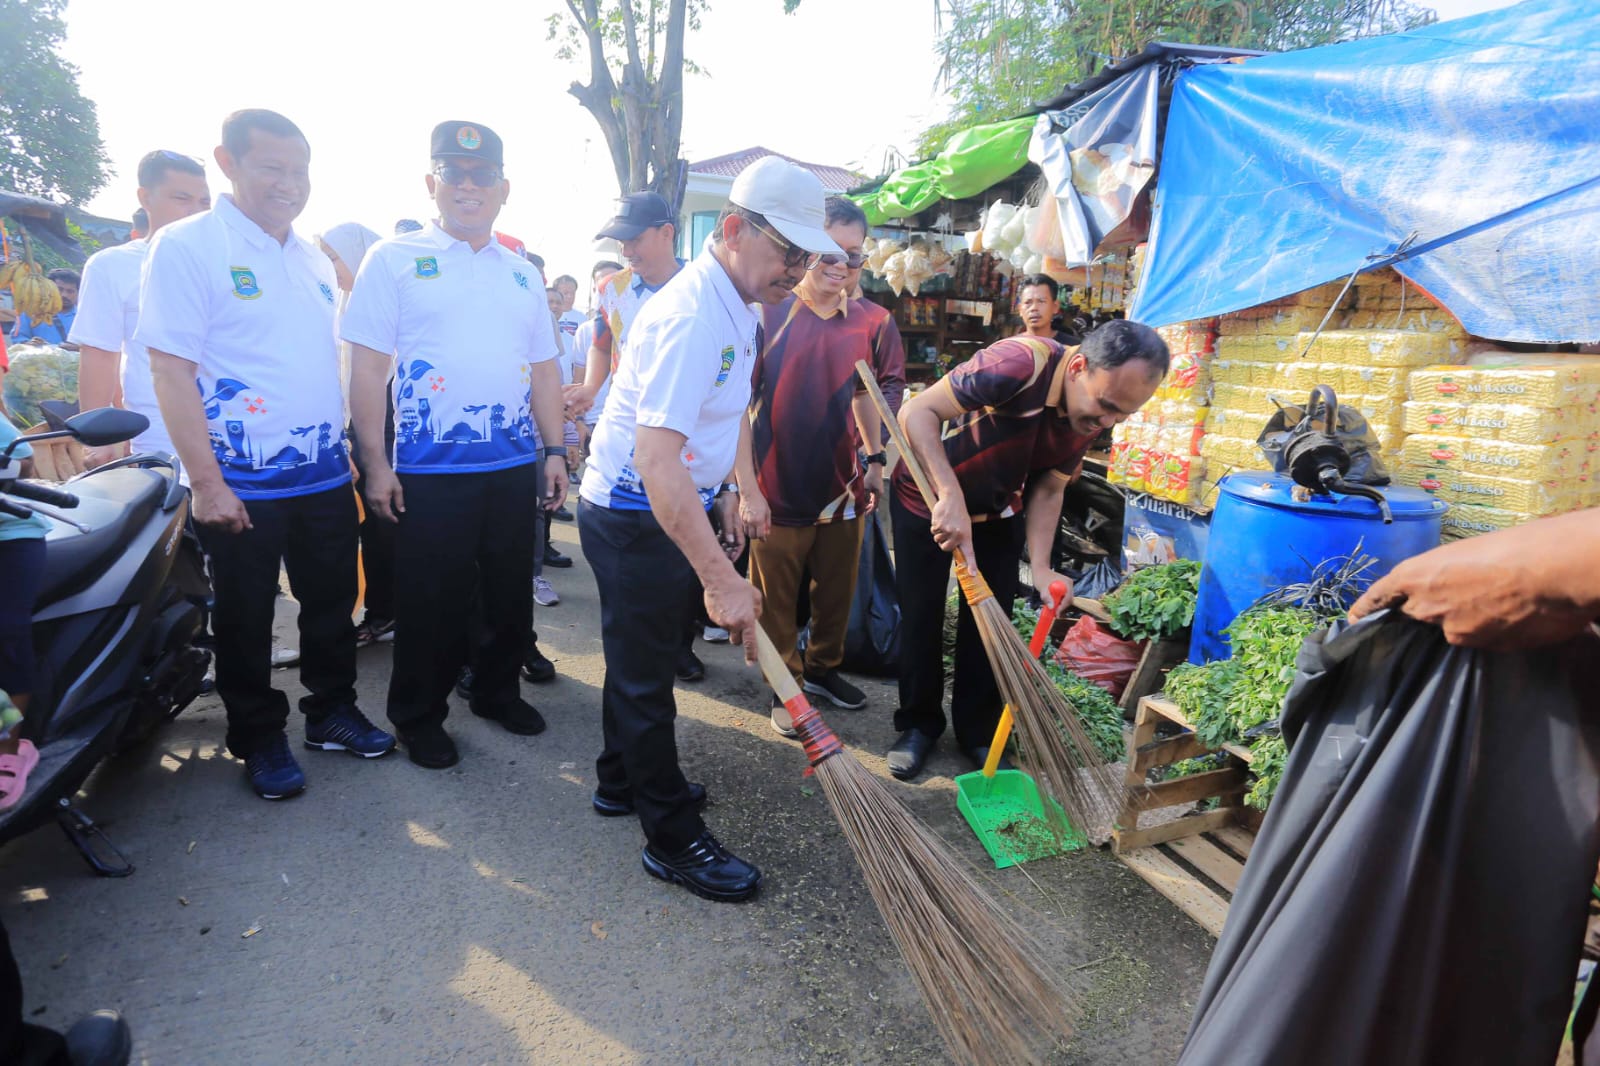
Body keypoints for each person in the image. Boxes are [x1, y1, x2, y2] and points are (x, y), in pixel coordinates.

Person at [579, 156, 842, 903]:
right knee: (644, 678)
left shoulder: (744, 300)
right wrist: (721, 579)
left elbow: (722, 417)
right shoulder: (692, 316)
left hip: (668, 503)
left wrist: (729, 488)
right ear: (731, 230)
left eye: (805, 254)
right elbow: (657, 464)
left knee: (645, 660)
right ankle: (671, 840)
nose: (797, 268)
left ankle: (618, 781)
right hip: (635, 513)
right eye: (786, 251)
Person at [139, 108, 392, 801]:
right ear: (228, 161)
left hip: (319, 475)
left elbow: (318, 361)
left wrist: (341, 447)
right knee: (247, 617)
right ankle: (257, 736)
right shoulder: (189, 246)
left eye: (300, 170)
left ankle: (331, 712)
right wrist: (207, 482)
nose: (289, 183)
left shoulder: (311, 257)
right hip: (239, 483)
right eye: (272, 167)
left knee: (331, 603)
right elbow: (170, 371)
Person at [343, 120, 566, 770]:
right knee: (430, 599)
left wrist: (554, 451)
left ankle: (496, 692)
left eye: (481, 176)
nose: (468, 186)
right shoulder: (394, 259)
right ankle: (418, 715)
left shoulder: (522, 274)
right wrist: (374, 461)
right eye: (455, 174)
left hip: (509, 464)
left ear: (503, 189)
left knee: (507, 593)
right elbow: (366, 369)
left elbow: (546, 370)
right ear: (431, 183)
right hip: (426, 470)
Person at [887, 321, 1169, 780]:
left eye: (1124, 415)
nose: (1108, 424)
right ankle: (918, 725)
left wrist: (1041, 568)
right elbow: (917, 412)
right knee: (921, 618)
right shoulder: (1019, 364)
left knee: (989, 627)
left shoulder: (1089, 413)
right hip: (925, 500)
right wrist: (949, 495)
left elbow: (1050, 488)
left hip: (998, 513)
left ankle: (976, 733)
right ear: (1078, 367)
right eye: (1106, 407)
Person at [745, 195, 906, 736]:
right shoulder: (767, 313)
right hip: (776, 481)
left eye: (853, 257)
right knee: (775, 598)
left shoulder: (875, 321)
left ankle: (822, 670)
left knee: (836, 593)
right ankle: (784, 687)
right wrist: (745, 488)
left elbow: (873, 392)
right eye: (828, 254)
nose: (840, 267)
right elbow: (735, 409)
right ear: (804, 250)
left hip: (844, 487)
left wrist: (877, 459)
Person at [566, 192, 718, 680]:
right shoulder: (614, 288)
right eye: (620, 241)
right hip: (627, 441)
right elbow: (601, 341)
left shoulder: (703, 289)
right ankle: (647, 654)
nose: (627, 249)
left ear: (667, 233)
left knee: (684, 559)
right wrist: (591, 388)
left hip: (685, 444)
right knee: (641, 566)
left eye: (635, 239)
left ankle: (678, 644)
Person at [73, 149, 212, 469]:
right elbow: (99, 352)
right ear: (145, 197)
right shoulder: (112, 266)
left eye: (204, 202)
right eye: (182, 198)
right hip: (161, 438)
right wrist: (98, 438)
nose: (196, 211)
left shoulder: (225, 264)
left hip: (235, 435)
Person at [317, 222, 393, 645]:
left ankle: (390, 612)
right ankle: (377, 610)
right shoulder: (342, 301)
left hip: (391, 423)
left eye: (334, 256)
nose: (330, 266)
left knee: (391, 527)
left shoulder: (385, 297)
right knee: (366, 530)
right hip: (352, 426)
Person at [10, 269, 80, 348]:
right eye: (59, 289)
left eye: (70, 291)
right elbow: (17, 340)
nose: (64, 295)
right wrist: (29, 344)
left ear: (78, 293)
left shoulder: (84, 318)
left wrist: (78, 348)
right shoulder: (30, 312)